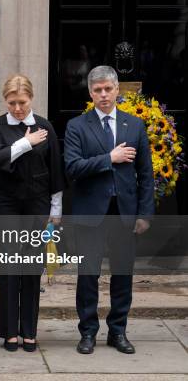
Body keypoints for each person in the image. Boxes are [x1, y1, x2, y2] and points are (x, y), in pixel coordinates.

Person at [64, 65, 154, 355]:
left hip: (124, 212)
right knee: (88, 274)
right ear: (90, 93)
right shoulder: (77, 126)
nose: (103, 94)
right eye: (97, 90)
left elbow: (146, 174)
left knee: (123, 274)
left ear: (117, 90)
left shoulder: (135, 125)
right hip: (90, 212)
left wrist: (144, 214)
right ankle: (88, 332)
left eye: (108, 89)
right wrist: (109, 158)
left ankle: (118, 331)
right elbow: (73, 168)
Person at [0, 74, 65, 352]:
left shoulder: (45, 126)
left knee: (32, 268)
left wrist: (56, 210)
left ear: (31, 98)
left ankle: (29, 331)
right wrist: (26, 142)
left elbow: (56, 168)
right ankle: (9, 331)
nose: (17, 108)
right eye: (12, 103)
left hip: (37, 204)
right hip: (6, 204)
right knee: (8, 268)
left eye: (22, 102)